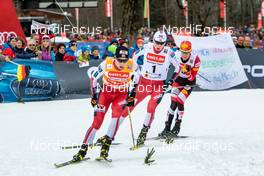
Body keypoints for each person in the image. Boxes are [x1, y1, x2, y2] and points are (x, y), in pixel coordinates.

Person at [73, 46, 138, 161]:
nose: (122, 63)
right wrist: (94, 96)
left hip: (121, 95)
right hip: (106, 94)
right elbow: (93, 78)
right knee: (97, 122)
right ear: (114, 58)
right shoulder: (106, 64)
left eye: (125, 60)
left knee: (116, 117)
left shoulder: (132, 64)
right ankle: (83, 149)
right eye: (120, 60)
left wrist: (132, 95)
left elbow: (138, 77)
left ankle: (106, 145)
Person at [120, 31, 180, 147]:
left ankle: (144, 132)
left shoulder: (169, 52)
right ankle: (111, 133)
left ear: (165, 43)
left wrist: (171, 81)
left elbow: (178, 68)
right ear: (153, 41)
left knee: (151, 107)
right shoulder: (147, 47)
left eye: (161, 43)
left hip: (159, 85)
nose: (158, 46)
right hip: (144, 83)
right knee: (130, 105)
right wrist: (135, 71)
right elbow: (134, 56)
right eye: (157, 42)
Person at [159, 41, 201, 138]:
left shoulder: (196, 59)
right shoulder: (177, 55)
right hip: (178, 81)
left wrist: (187, 72)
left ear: (190, 52)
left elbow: (192, 78)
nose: (184, 55)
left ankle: (177, 126)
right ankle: (167, 128)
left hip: (189, 83)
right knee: (173, 103)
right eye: (182, 52)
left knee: (180, 100)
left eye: (186, 53)